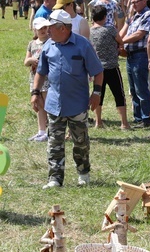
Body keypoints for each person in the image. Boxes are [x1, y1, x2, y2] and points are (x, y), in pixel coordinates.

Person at [31, 10, 104, 188]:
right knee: (54, 143)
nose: (48, 32)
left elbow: (98, 71)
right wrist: (35, 92)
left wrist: (96, 93)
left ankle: (83, 173)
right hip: (54, 104)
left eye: (51, 29)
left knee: (80, 142)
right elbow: (41, 72)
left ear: (62, 28)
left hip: (77, 104)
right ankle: (55, 178)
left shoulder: (83, 45)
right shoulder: (49, 45)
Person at [90, 5, 130, 130]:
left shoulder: (90, 31)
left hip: (97, 69)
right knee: (119, 94)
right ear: (104, 17)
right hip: (112, 66)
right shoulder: (110, 29)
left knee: (98, 95)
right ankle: (124, 123)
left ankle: (98, 122)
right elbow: (120, 40)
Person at [120, 0, 150, 128]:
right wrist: (117, 40)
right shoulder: (133, 16)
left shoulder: (148, 15)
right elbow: (124, 29)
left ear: (144, 1)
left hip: (141, 54)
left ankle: (146, 118)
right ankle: (138, 116)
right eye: (132, 2)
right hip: (130, 55)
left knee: (141, 88)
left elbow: (139, 34)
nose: (133, 5)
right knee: (133, 89)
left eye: (136, 2)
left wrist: (121, 41)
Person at [25, 17, 51, 141]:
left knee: (48, 104)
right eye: (40, 28)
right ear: (35, 29)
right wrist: (31, 60)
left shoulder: (50, 42)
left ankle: (52, 130)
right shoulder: (32, 44)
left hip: (47, 79)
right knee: (39, 105)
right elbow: (26, 61)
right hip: (34, 78)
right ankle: (41, 131)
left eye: (45, 28)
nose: (43, 30)